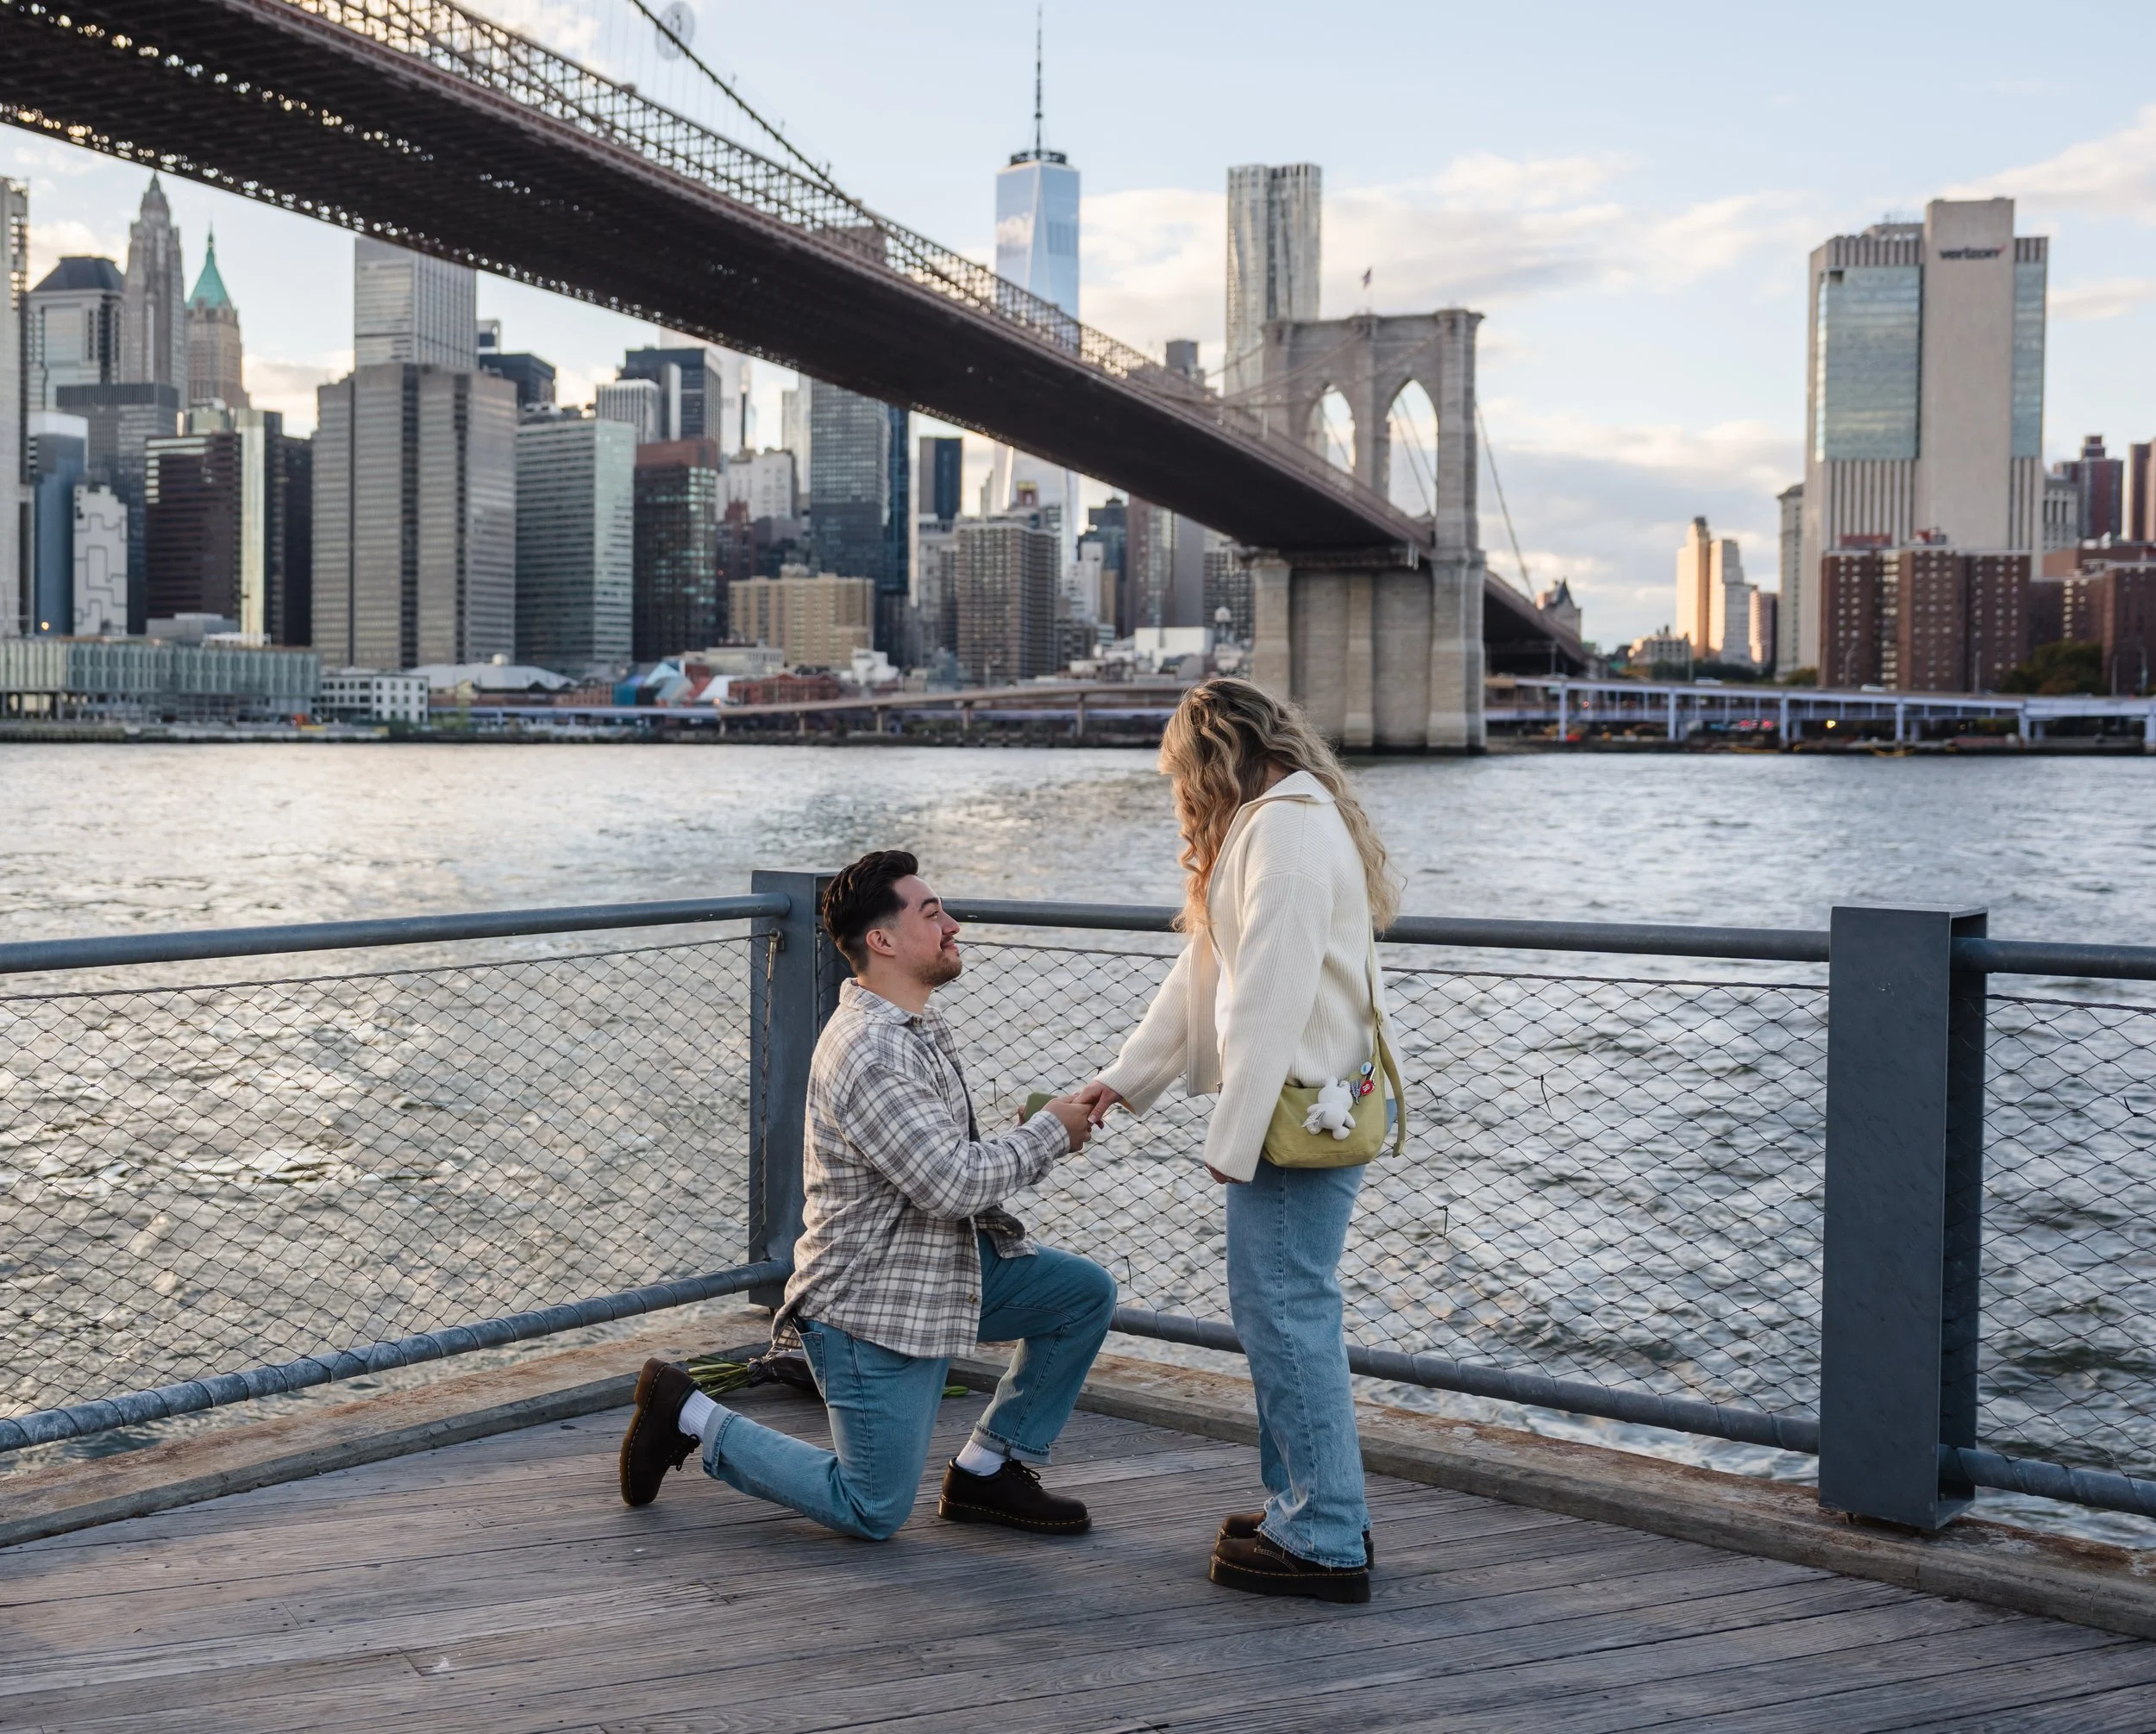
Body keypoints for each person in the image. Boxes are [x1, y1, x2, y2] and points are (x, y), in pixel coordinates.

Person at [617, 849, 1116, 1540]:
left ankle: (986, 1469)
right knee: (871, 1505)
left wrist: (1038, 1130)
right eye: (933, 914)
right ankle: (688, 1413)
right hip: (870, 1305)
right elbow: (951, 1184)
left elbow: (941, 1166)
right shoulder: (871, 1051)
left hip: (937, 1269)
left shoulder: (915, 1027)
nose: (954, 925)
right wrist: (1049, 1134)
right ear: (881, 940)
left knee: (1082, 1294)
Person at [1072, 678, 1399, 1605]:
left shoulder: (1284, 833)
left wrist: (1235, 1133)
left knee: (1287, 1314)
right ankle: (1308, 1503)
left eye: (1182, 774)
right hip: (1308, 1102)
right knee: (1283, 1312)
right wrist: (1123, 1080)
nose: (1181, 796)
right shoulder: (1284, 819)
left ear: (1213, 760)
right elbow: (1206, 971)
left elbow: (1268, 998)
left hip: (1292, 1115)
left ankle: (1323, 1533)